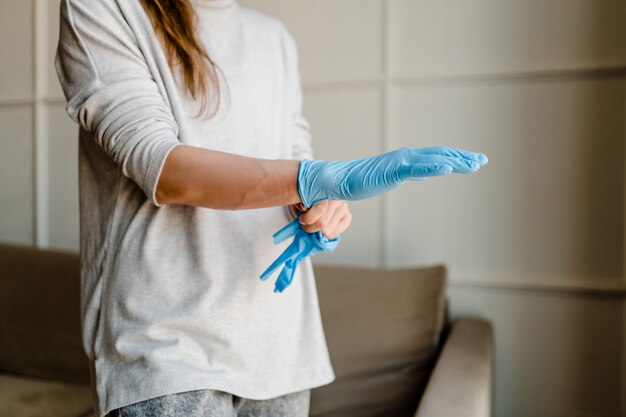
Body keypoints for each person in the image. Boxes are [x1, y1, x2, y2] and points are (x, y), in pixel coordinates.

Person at [55, 0, 487, 416]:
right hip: (167, 344)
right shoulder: (103, 7)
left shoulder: (274, 39)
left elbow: (297, 163)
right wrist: (311, 177)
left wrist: (321, 211)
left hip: (280, 344)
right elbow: (163, 169)